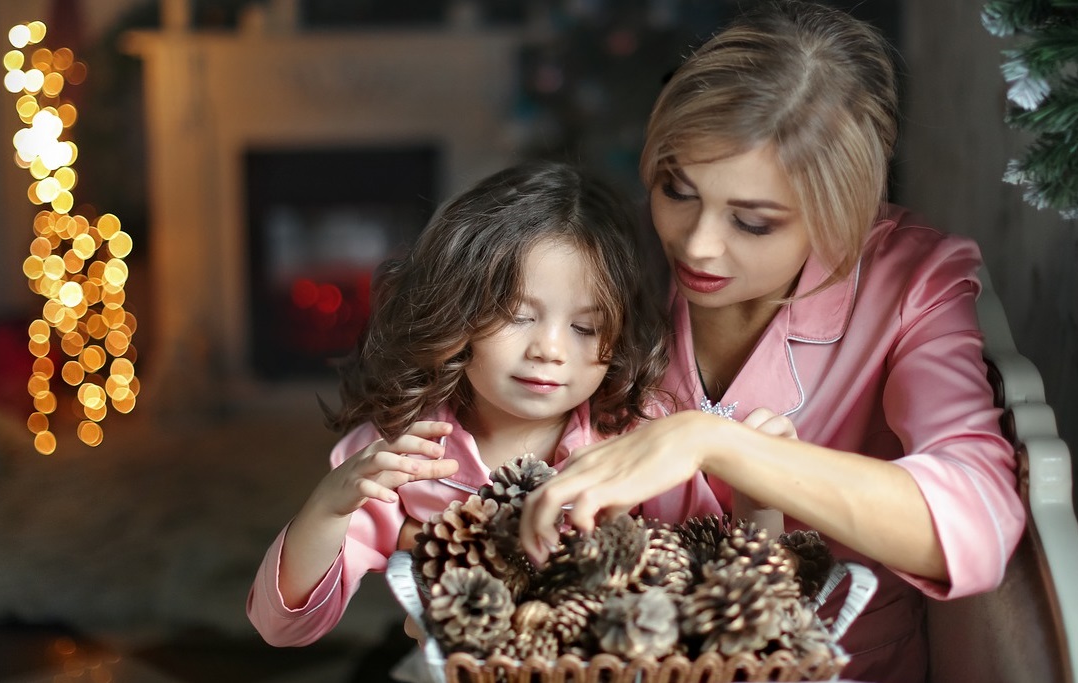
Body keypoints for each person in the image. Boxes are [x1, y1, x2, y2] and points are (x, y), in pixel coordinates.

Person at [518, 3, 1026, 682]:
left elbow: (977, 521)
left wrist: (717, 442)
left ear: (839, 213)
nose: (696, 244)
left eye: (753, 222)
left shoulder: (910, 281)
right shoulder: (609, 258)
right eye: (678, 190)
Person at [246, 161, 722, 647]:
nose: (550, 350)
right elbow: (282, 626)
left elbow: (722, 590)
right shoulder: (399, 452)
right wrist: (327, 508)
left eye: (585, 328)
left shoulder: (642, 437)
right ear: (458, 308)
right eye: (518, 315)